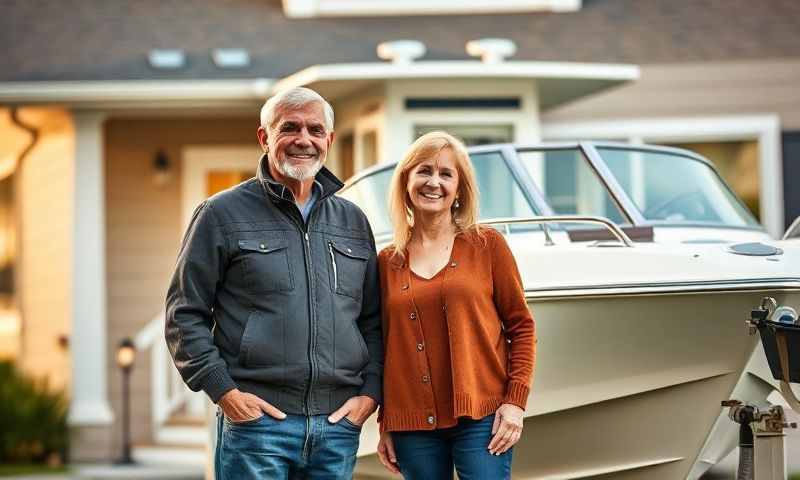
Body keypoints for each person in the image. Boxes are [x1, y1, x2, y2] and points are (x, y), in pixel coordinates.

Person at [165, 87, 383, 479]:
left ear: (329, 141)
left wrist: (369, 395)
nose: (304, 139)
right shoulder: (220, 214)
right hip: (256, 426)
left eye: (316, 130)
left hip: (337, 427)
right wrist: (225, 392)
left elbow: (372, 320)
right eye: (290, 128)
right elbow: (184, 315)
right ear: (264, 137)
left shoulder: (352, 221)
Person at [375, 131, 536, 479]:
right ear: (406, 181)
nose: (434, 182)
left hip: (482, 416)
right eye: (424, 171)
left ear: (460, 188)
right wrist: (386, 420)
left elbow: (521, 327)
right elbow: (383, 346)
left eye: (446, 174)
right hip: (411, 423)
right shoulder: (386, 261)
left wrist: (515, 403)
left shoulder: (487, 245)